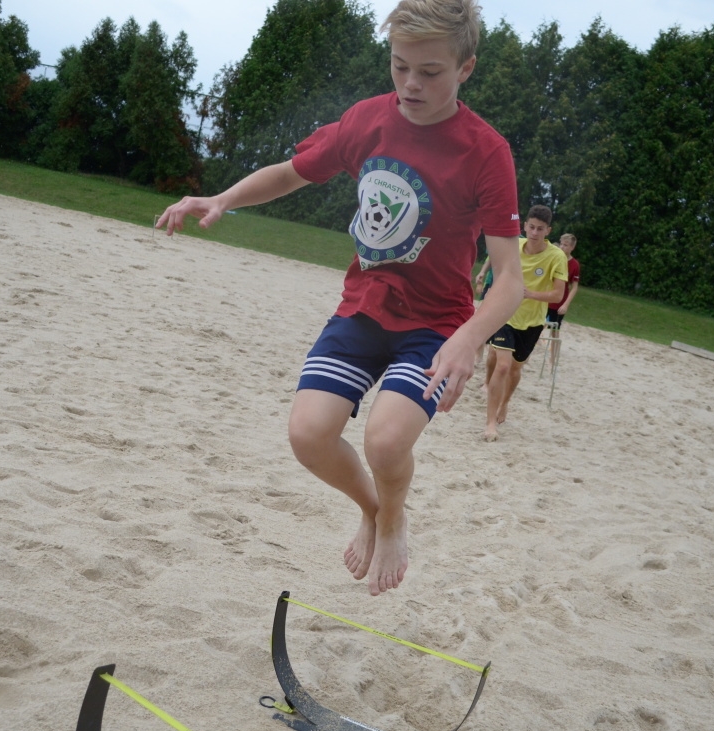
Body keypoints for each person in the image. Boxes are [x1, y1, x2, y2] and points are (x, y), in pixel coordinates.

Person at [156, 0, 524, 596]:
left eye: (430, 72)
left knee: (385, 439)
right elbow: (291, 172)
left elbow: (510, 278)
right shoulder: (366, 121)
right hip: (363, 307)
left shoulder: (485, 151)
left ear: (466, 69)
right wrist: (222, 198)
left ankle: (394, 518)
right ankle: (373, 508)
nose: (410, 83)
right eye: (399, 66)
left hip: (435, 326)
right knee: (308, 434)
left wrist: (466, 341)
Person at [482, 205, 567, 441]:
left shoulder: (556, 257)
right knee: (501, 365)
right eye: (531, 227)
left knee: (515, 369)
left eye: (540, 229)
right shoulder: (514, 247)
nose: (535, 232)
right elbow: (499, 273)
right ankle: (490, 423)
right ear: (524, 226)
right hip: (506, 315)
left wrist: (529, 294)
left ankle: (504, 402)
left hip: (533, 322)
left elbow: (558, 295)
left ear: (548, 231)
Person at [543, 232, 581, 371]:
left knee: (555, 332)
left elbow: (574, 287)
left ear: (572, 247)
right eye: (561, 244)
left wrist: (566, 304)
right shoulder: (554, 257)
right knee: (536, 327)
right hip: (545, 298)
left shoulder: (574, 264)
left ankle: (552, 360)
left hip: (559, 302)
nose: (562, 247)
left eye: (566, 245)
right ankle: (525, 357)